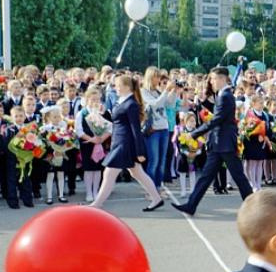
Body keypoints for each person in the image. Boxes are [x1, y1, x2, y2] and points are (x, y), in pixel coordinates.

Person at [172, 67, 253, 216]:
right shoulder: (222, 95)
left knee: (239, 177)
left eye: (214, 79)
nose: (212, 82)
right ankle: (191, 204)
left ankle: (254, 208)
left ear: (222, 79)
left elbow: (217, 120)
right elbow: (218, 115)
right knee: (206, 177)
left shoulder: (226, 96)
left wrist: (194, 133)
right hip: (218, 144)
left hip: (225, 143)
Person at [90, 75, 164, 212]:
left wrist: (140, 151)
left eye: (118, 85)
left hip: (124, 144)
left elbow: (135, 129)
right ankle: (156, 198)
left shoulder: (131, 104)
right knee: (137, 173)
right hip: (119, 142)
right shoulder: (123, 101)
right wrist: (103, 113)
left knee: (109, 173)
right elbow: (117, 120)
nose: (115, 88)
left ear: (126, 87)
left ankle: (97, 203)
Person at [140, 67, 178, 191]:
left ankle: (158, 186)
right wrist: (166, 90)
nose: (158, 80)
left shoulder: (157, 91)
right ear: (150, 77)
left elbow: (170, 104)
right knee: (154, 161)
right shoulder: (143, 92)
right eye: (156, 77)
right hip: (153, 129)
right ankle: (150, 189)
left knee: (162, 161)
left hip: (164, 128)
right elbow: (155, 104)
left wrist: (173, 91)